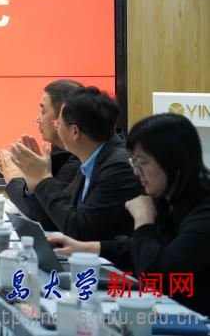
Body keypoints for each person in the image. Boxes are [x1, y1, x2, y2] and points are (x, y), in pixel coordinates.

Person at [50, 113, 210, 316]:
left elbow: (157, 276)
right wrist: (83, 247)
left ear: (174, 162)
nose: (136, 172)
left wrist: (144, 220)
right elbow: (140, 248)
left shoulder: (204, 213)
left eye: (142, 162)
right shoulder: (168, 197)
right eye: (134, 162)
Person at [8, 86, 141, 240]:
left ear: (75, 131)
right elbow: (57, 219)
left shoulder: (118, 167)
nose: (56, 127)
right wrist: (35, 179)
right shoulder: (91, 158)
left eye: (58, 124)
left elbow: (79, 230)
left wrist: (43, 178)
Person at [0, 79, 83, 227]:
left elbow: (48, 216)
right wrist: (29, 174)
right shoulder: (61, 150)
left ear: (62, 117)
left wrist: (15, 178)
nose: (38, 119)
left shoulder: (79, 160)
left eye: (43, 111)